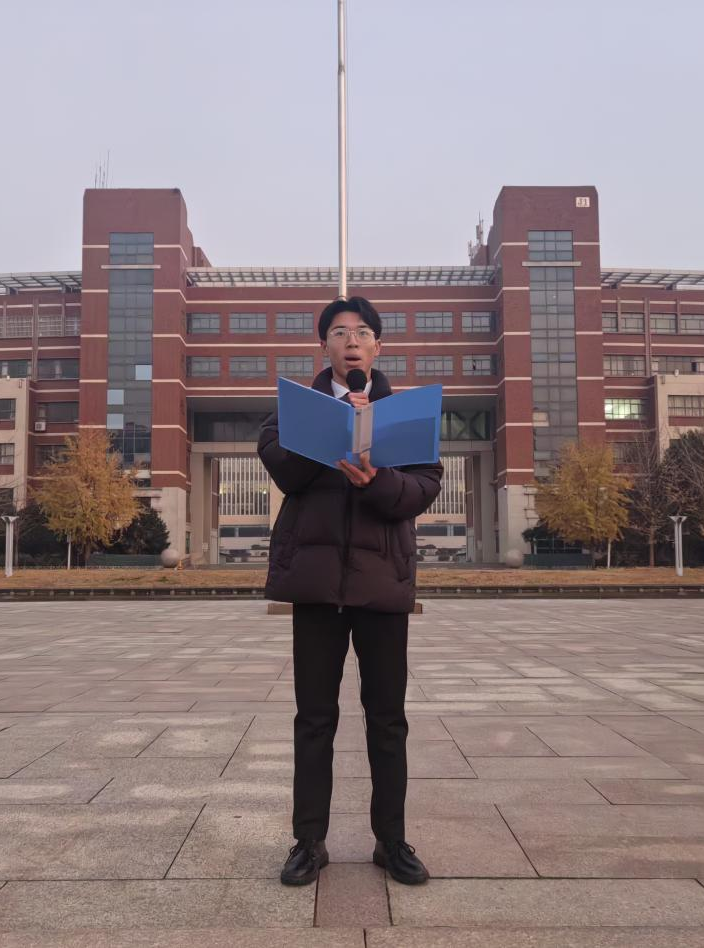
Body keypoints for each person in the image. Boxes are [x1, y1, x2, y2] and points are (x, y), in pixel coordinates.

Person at [257, 295, 443, 887]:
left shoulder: (405, 415)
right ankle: (308, 841)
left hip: (382, 585)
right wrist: (336, 435)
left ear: (378, 346)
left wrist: (376, 479)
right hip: (316, 587)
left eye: (362, 332)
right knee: (314, 719)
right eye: (339, 332)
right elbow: (284, 469)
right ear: (325, 346)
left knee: (387, 719)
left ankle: (392, 841)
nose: (352, 341)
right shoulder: (293, 411)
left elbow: (423, 488)